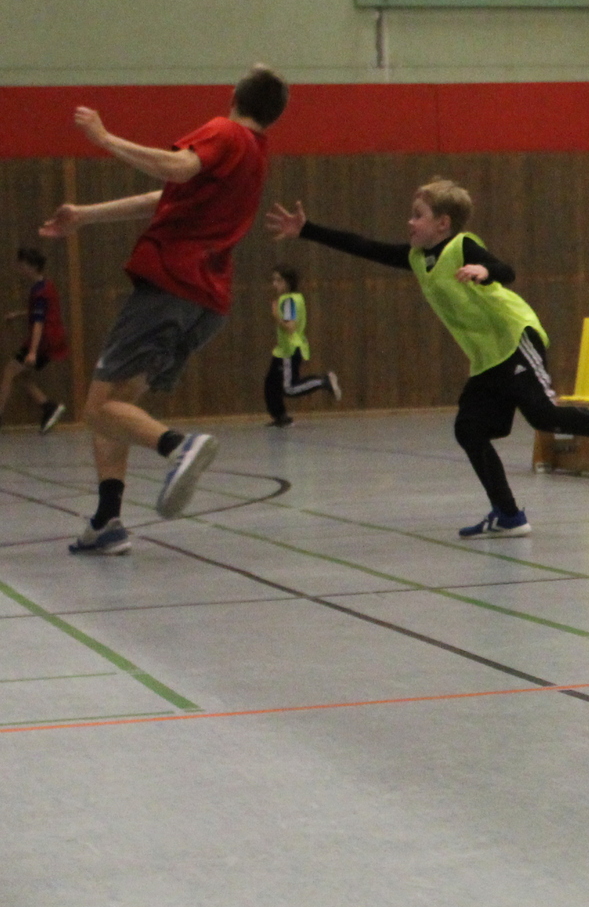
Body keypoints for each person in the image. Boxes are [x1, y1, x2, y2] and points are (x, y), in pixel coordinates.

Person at [267, 179, 589, 538]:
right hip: (486, 358)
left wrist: (485, 272)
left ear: (442, 223)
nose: (410, 223)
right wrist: (308, 231)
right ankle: (509, 515)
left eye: (418, 216)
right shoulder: (416, 258)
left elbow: (505, 268)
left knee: (543, 415)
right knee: (469, 429)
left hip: (514, 336)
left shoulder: (462, 246)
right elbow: (365, 247)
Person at [39, 67, 287, 555]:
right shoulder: (255, 155)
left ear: (235, 95)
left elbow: (175, 170)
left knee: (97, 408)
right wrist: (86, 216)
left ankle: (178, 447)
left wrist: (104, 137)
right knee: (118, 409)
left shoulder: (224, 131)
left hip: (171, 286)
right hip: (206, 303)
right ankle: (107, 520)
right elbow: (165, 198)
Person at [262, 265, 340, 427]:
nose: (275, 284)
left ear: (288, 282)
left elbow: (290, 326)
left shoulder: (289, 301)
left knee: (289, 388)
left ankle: (323, 381)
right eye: (273, 280)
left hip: (290, 349)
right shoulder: (290, 298)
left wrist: (276, 315)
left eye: (279, 280)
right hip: (282, 350)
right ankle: (280, 417)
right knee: (271, 383)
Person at [0, 247, 68, 434]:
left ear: (33, 266)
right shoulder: (47, 286)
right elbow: (41, 313)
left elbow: (39, 322)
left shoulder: (40, 291)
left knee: (9, 372)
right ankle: (48, 407)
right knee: (22, 376)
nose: (19, 269)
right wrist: (20, 314)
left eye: (22, 265)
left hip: (43, 342)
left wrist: (32, 351)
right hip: (51, 340)